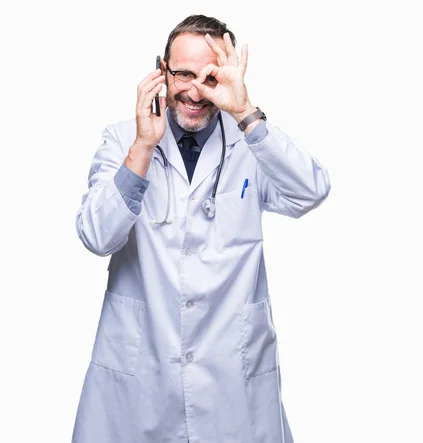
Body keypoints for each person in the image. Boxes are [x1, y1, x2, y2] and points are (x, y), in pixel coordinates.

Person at [71, 14, 330, 443]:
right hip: (142, 375)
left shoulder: (252, 143)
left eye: (210, 77)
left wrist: (247, 113)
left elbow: (311, 191)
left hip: (231, 378)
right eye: (184, 74)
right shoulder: (123, 140)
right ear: (162, 72)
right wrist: (143, 147)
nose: (195, 91)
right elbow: (97, 237)